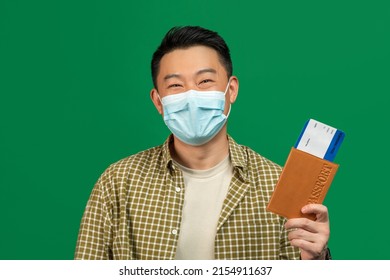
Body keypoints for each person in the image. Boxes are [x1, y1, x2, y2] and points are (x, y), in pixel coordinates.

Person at [75, 26, 331, 260]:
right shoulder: (118, 182)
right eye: (175, 85)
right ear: (158, 101)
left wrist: (316, 261)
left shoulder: (278, 185)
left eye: (205, 81)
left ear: (231, 90)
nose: (191, 95)